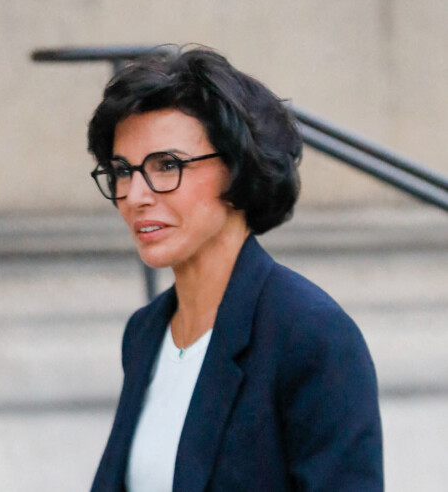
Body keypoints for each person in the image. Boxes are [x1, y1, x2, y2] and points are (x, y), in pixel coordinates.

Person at [87, 46, 383, 491]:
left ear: (237, 169)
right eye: (123, 171)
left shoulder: (310, 335)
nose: (135, 195)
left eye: (166, 165)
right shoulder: (145, 332)